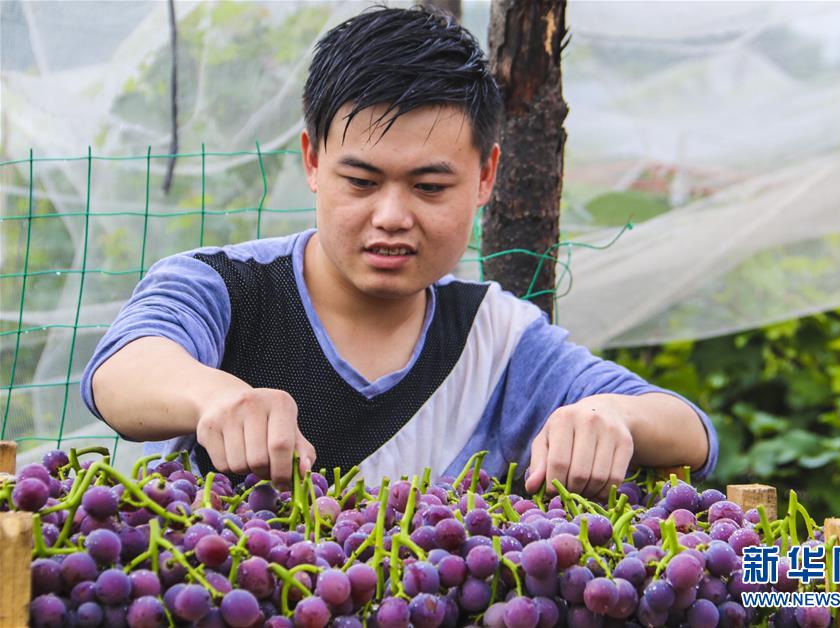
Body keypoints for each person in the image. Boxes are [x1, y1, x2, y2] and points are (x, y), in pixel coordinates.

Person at [82, 5, 717, 495]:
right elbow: (120, 372)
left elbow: (691, 432)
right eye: (360, 182)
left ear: (486, 176)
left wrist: (612, 416)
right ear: (312, 160)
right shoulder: (223, 288)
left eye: (429, 186)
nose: (391, 218)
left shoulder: (496, 339)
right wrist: (215, 398)